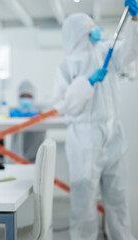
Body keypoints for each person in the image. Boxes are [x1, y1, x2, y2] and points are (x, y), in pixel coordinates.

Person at [52, 1, 138, 239]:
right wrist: (86, 83)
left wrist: (134, 21)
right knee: (84, 201)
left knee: (118, 198)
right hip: (84, 138)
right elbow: (61, 104)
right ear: (77, 33)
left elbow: (131, 49)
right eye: (89, 27)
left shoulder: (106, 52)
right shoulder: (66, 65)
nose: (94, 30)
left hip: (113, 134)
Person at [10, 81, 46, 163]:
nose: (25, 99)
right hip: (16, 158)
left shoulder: (39, 111)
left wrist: (37, 114)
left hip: (36, 157)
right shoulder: (14, 112)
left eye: (28, 96)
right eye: (23, 96)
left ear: (33, 97)